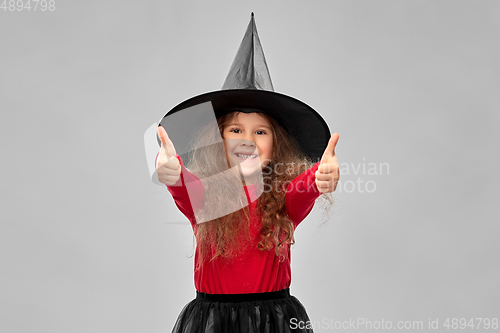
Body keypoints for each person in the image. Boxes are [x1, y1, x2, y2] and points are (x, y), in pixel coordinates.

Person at [153, 13, 340, 333]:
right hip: (213, 322)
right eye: (236, 130)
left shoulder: (282, 197)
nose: (247, 141)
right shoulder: (207, 196)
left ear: (276, 143)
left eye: (260, 132)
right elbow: (186, 185)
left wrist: (320, 177)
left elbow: (303, 188)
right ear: (219, 140)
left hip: (273, 321)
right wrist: (173, 171)